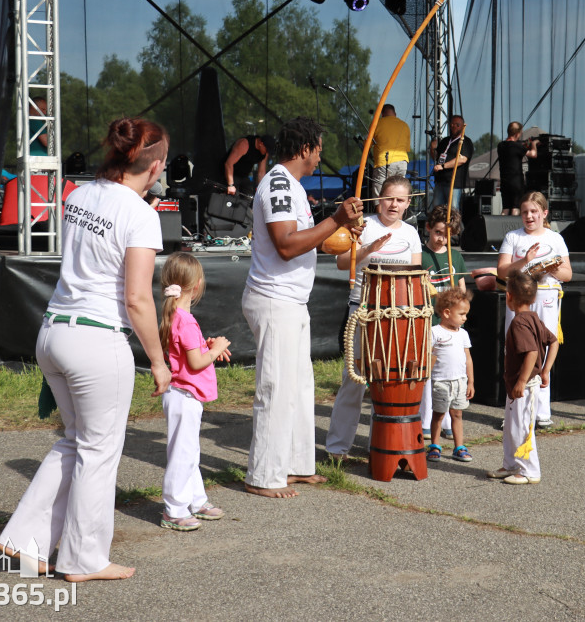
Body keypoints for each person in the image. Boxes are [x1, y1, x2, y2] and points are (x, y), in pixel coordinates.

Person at [0, 117, 172, 582]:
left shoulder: (78, 194)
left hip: (54, 331)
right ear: (153, 166)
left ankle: (25, 540)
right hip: (96, 340)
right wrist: (158, 360)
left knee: (76, 443)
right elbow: (137, 299)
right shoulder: (140, 215)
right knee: (98, 453)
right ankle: (83, 559)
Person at [242, 117, 364, 498]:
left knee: (298, 387)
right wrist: (336, 219)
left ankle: (295, 466)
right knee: (276, 389)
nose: (320, 157)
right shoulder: (279, 183)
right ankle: (263, 476)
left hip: (292, 300)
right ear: (306, 149)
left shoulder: (291, 186)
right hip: (274, 298)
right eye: (319, 149)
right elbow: (287, 244)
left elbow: (313, 241)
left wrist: (342, 233)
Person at [325, 176, 422, 460]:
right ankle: (337, 447)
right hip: (363, 310)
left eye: (400, 200)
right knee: (353, 381)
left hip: (397, 317)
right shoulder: (363, 226)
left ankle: (380, 445)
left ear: (408, 203)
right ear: (378, 199)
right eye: (389, 198)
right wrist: (368, 248)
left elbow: (414, 274)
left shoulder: (411, 232)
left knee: (390, 381)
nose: (394, 204)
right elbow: (343, 263)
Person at [157, 253, 231, 531]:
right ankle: (174, 509)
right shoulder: (185, 320)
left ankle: (196, 501)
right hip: (183, 396)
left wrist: (207, 346)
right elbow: (196, 362)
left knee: (190, 451)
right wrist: (215, 349)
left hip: (184, 395)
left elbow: (186, 352)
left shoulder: (176, 316)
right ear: (198, 284)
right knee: (182, 453)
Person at [496, 192, 572, 427]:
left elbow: (567, 274)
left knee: (544, 345)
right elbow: (501, 271)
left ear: (544, 213)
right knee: (517, 347)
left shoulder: (556, 238)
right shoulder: (513, 237)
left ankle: (541, 411)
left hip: (547, 295)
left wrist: (551, 268)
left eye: (534, 212)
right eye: (525, 212)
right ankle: (514, 406)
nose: (529, 216)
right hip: (519, 298)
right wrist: (525, 261)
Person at [486, 269, 559, 485]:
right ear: (534, 298)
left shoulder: (519, 323)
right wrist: (546, 370)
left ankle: (530, 470)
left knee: (522, 426)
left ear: (509, 297)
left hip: (523, 385)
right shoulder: (533, 317)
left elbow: (532, 352)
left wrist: (521, 380)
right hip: (518, 383)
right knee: (511, 426)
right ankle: (511, 464)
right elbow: (553, 342)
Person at [419, 206, 465, 439]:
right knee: (429, 373)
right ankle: (426, 420)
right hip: (430, 323)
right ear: (428, 228)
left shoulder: (455, 256)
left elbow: (462, 290)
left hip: (451, 326)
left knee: (450, 373)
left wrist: (461, 310)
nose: (442, 238)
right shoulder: (420, 255)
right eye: (438, 232)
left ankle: (447, 421)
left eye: (447, 234)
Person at [425, 288, 475, 463]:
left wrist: (471, 382)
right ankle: (435, 445)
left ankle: (459, 447)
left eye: (466, 314)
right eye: (461, 314)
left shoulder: (463, 334)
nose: (465, 318)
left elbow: (468, 359)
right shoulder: (435, 332)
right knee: (438, 414)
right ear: (447, 313)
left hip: (460, 381)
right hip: (441, 381)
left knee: (457, 414)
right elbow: (428, 355)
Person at [430, 115, 474, 211]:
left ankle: (455, 226)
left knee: (453, 209)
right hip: (440, 181)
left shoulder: (465, 142)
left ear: (462, 126)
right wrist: (432, 148)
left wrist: (443, 166)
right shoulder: (445, 140)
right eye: (452, 124)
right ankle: (439, 226)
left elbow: (462, 159)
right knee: (437, 208)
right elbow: (436, 157)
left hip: (454, 182)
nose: (454, 126)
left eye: (457, 125)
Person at [370, 104, 411, 198]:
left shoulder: (377, 123)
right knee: (399, 193)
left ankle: (380, 212)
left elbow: (367, 144)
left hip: (384, 162)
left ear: (382, 114)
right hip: (402, 162)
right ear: (395, 114)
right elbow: (407, 148)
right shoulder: (404, 125)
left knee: (380, 194)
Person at [496, 122, 537, 215]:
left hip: (504, 181)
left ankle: (501, 228)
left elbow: (513, 148)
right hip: (516, 182)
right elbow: (533, 154)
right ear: (517, 133)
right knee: (515, 207)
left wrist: (525, 144)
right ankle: (514, 228)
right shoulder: (518, 146)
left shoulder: (501, 146)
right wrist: (534, 143)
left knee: (505, 208)